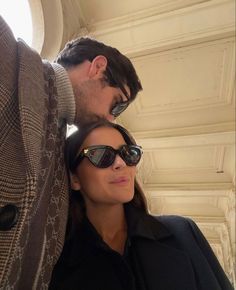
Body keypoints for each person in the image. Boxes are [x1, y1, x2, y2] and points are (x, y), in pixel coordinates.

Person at [0, 15, 142, 289]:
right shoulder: (7, 51)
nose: (112, 119)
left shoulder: (63, 150)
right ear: (98, 67)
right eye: (118, 104)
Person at [49, 118, 233, 290]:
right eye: (102, 155)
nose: (120, 163)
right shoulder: (55, 262)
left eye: (128, 153)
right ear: (74, 178)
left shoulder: (183, 231)